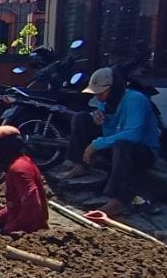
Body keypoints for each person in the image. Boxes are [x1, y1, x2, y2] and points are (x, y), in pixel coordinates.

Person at [55, 66, 160, 217]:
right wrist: (96, 118)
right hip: (114, 146)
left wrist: (96, 144)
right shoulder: (106, 102)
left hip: (141, 151)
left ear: (114, 88)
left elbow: (132, 134)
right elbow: (108, 127)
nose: (98, 97)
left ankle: (118, 200)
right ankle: (81, 166)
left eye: (101, 93)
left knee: (122, 145)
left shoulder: (135, 100)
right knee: (81, 118)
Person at [0, 125, 48, 236]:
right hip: (23, 225)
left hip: (28, 232)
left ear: (3, 148)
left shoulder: (18, 170)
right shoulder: (22, 163)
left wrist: (6, 232)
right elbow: (16, 205)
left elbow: (32, 206)